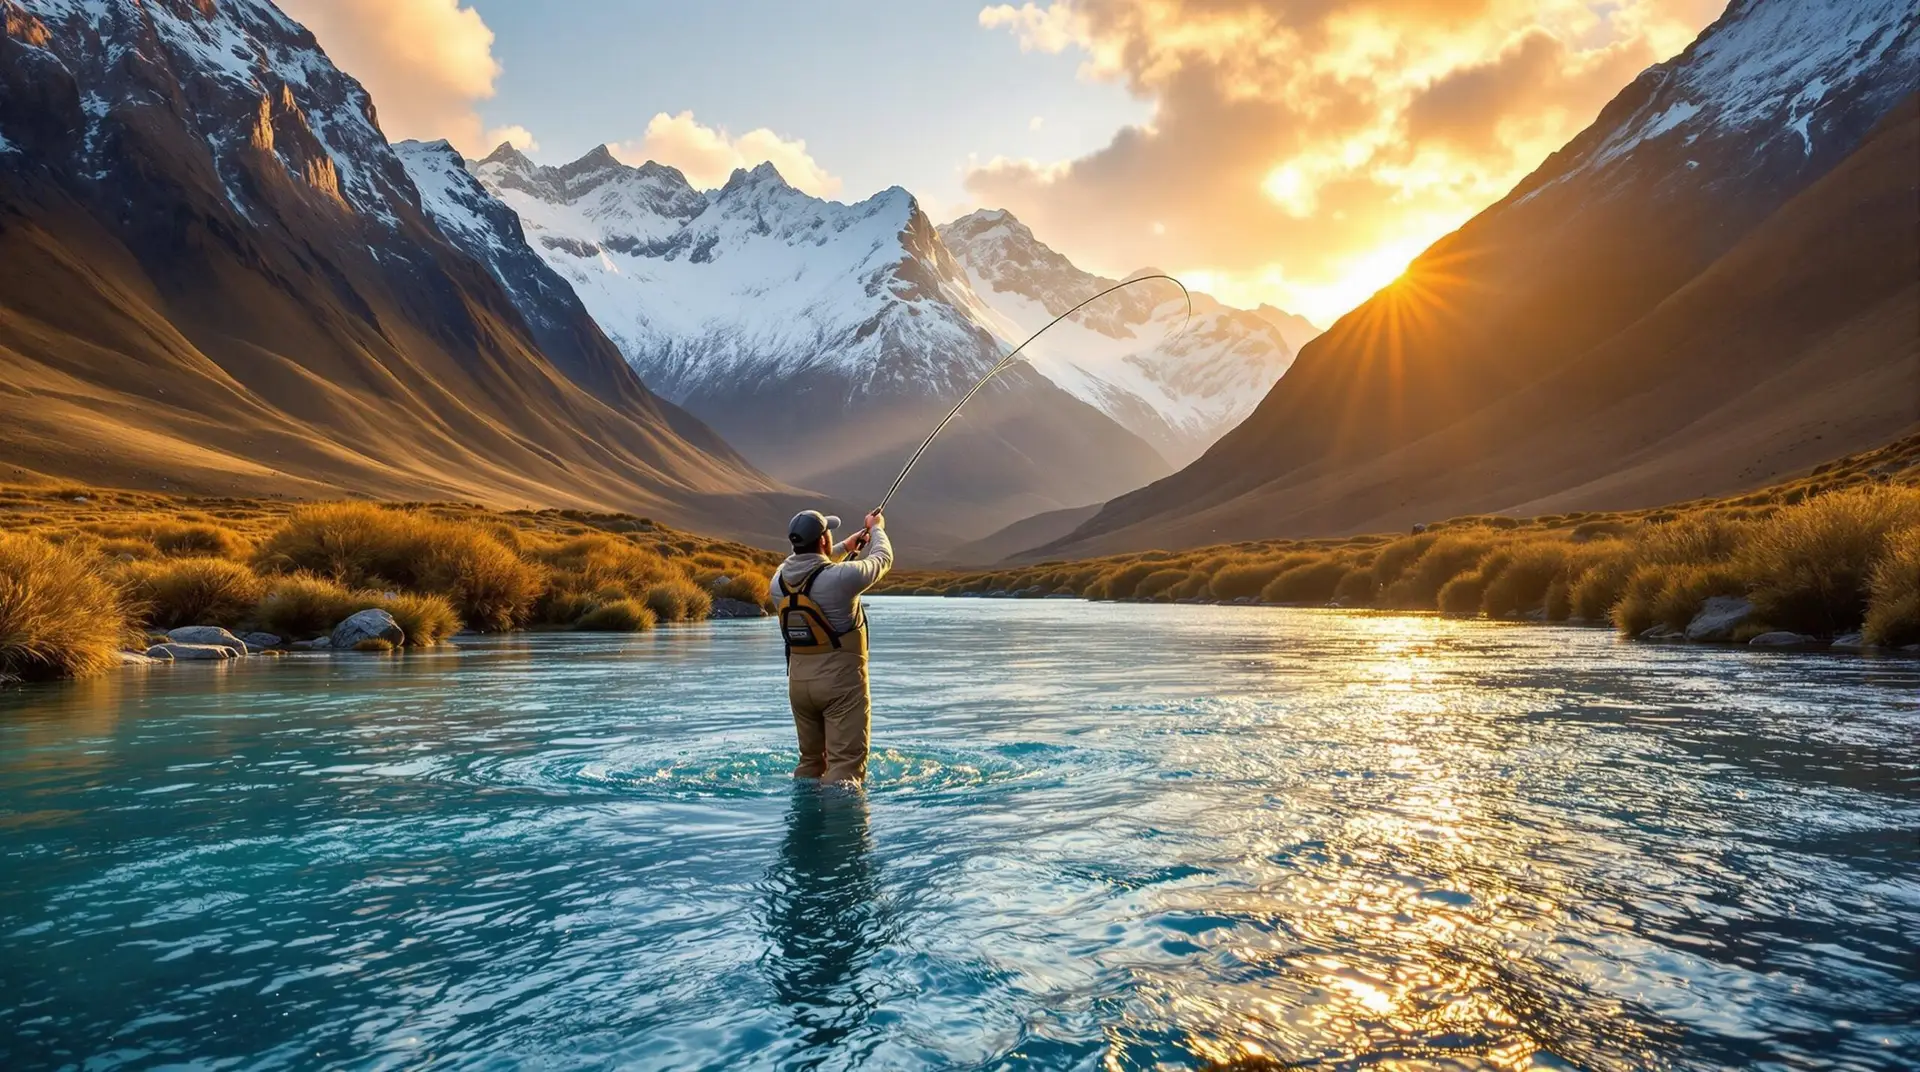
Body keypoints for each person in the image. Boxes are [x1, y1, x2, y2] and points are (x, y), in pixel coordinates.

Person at [771, 508, 892, 784]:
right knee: (845, 768)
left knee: (810, 762)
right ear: (823, 540)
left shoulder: (777, 581)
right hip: (840, 686)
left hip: (799, 687)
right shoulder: (842, 578)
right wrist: (876, 529)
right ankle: (841, 825)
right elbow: (882, 559)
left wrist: (846, 546)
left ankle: (804, 821)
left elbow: (806, 565)